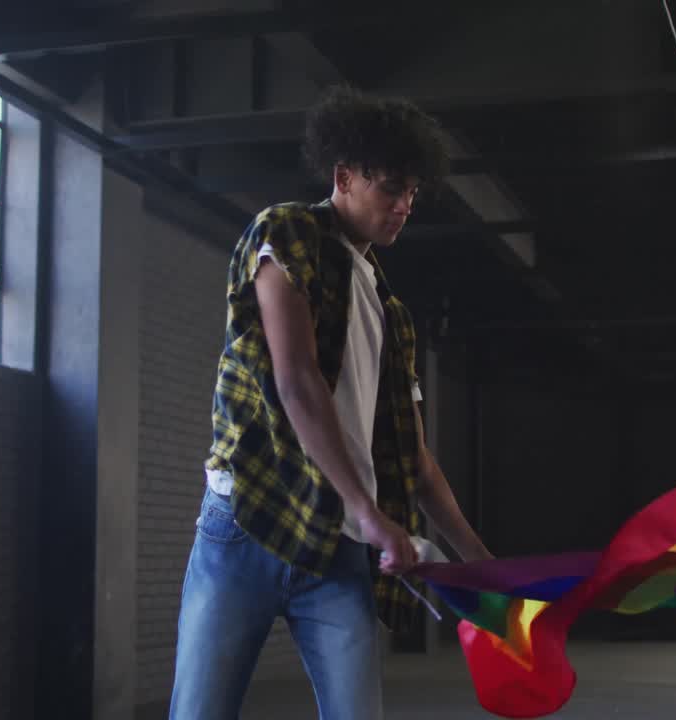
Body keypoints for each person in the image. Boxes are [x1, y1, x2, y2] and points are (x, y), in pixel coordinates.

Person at [168, 85, 493, 720]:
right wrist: (370, 512)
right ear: (343, 176)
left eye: (412, 193)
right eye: (390, 188)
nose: (404, 205)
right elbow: (294, 379)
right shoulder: (287, 232)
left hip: (339, 551)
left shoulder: (393, 315)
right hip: (249, 523)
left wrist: (477, 560)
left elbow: (414, 458)